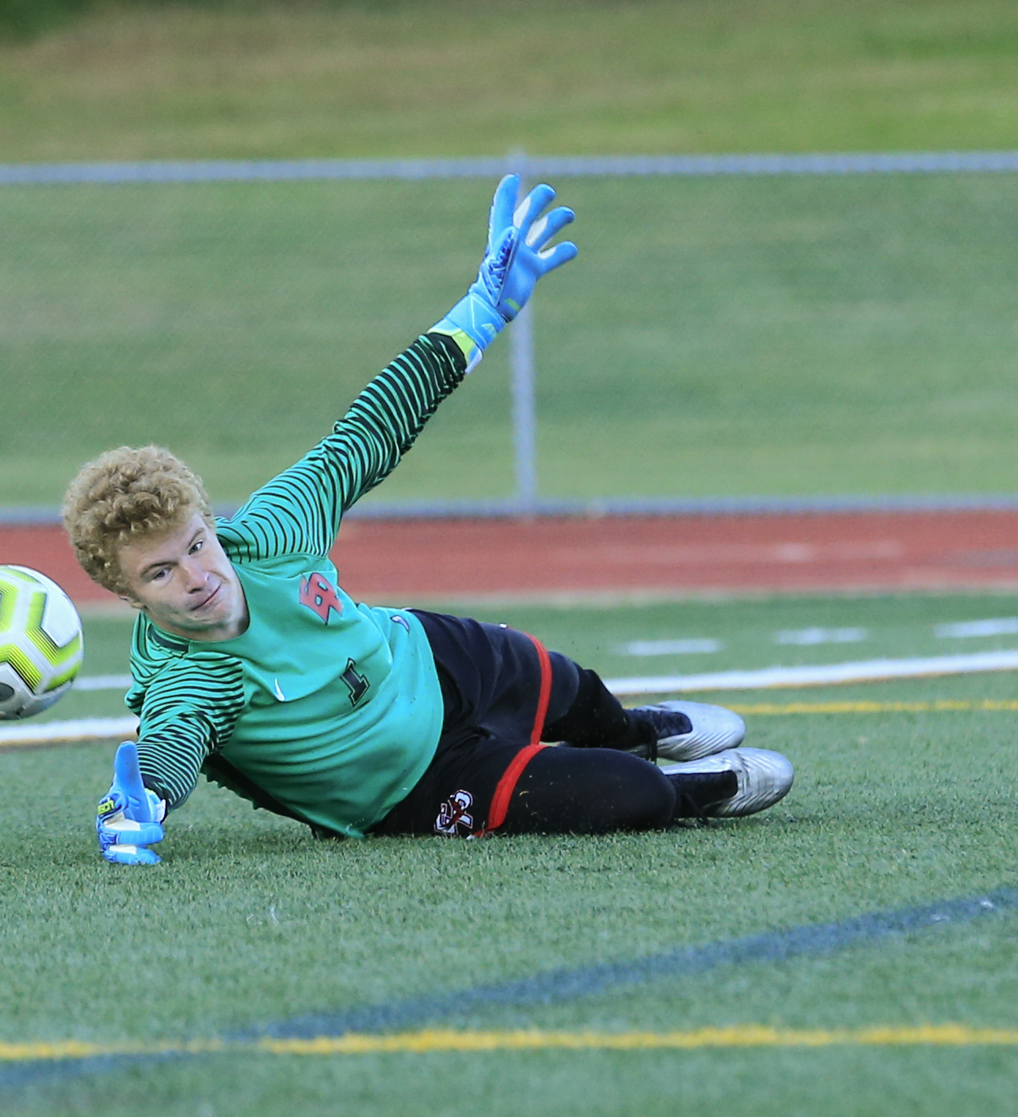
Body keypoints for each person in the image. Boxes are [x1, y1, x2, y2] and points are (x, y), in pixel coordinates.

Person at [61, 176, 795, 865]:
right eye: (161, 572)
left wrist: (484, 307)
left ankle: (637, 730)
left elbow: (375, 426)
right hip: (411, 786)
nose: (197, 576)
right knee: (626, 796)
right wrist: (143, 797)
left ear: (212, 523)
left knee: (573, 690)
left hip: (426, 658)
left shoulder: (273, 532)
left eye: (196, 545)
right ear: (127, 596)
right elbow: (169, 743)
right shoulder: (190, 679)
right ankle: (693, 785)